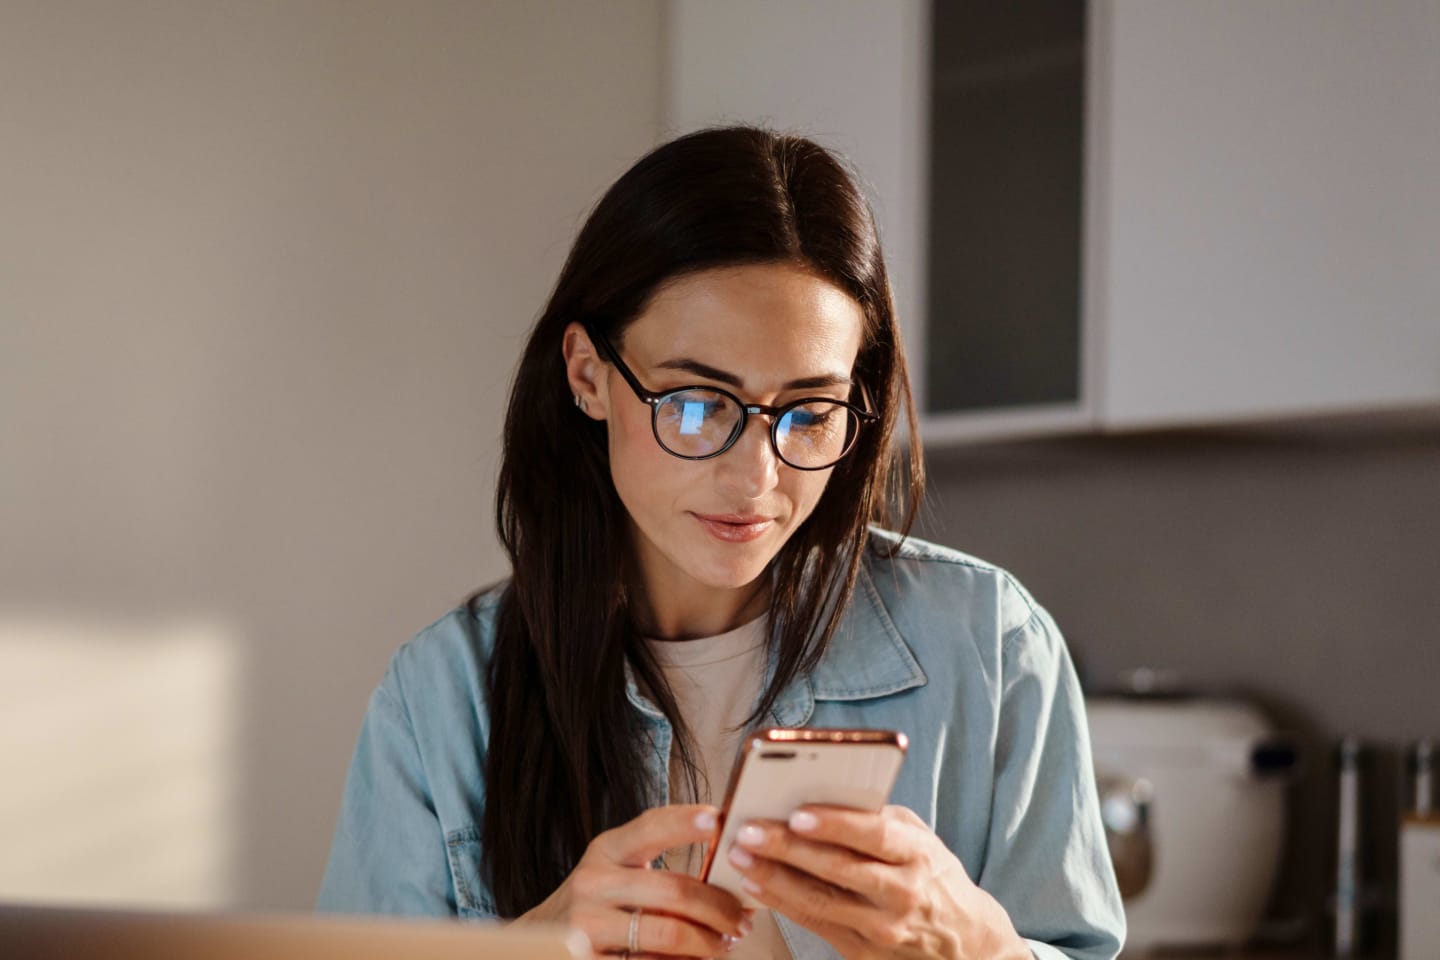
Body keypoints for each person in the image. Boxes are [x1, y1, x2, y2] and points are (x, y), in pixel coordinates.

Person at [317, 125, 1125, 960]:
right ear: (588, 376)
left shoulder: (990, 645)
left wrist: (979, 949)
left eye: (809, 414)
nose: (756, 480)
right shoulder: (442, 701)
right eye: (699, 406)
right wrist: (527, 950)